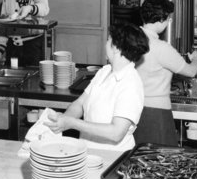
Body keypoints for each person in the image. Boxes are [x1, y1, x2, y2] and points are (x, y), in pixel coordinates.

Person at [45, 23, 149, 151]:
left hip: (113, 158)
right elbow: (80, 103)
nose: (105, 45)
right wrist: (63, 120)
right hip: (86, 151)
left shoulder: (131, 84)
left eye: (108, 40)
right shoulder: (104, 72)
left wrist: (72, 123)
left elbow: (116, 132)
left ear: (116, 47)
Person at [135, 0, 197, 146]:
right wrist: (196, 58)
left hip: (132, 108)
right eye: (168, 19)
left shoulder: (131, 39)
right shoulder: (161, 47)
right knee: (160, 159)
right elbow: (191, 72)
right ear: (160, 20)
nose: (168, 22)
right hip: (155, 113)